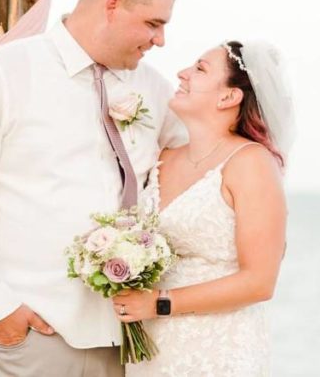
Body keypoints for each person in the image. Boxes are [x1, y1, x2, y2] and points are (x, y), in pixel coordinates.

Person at [0, 0, 188, 377]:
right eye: (152, 23)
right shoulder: (4, 73)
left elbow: (205, 161)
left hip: (128, 345)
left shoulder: (155, 88)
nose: (160, 40)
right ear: (112, 5)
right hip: (34, 337)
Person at [113, 40, 294, 376]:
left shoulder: (251, 163)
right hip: (153, 348)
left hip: (219, 348)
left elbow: (259, 282)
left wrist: (159, 303)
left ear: (228, 97)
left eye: (199, 69)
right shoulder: (164, 157)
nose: (182, 73)